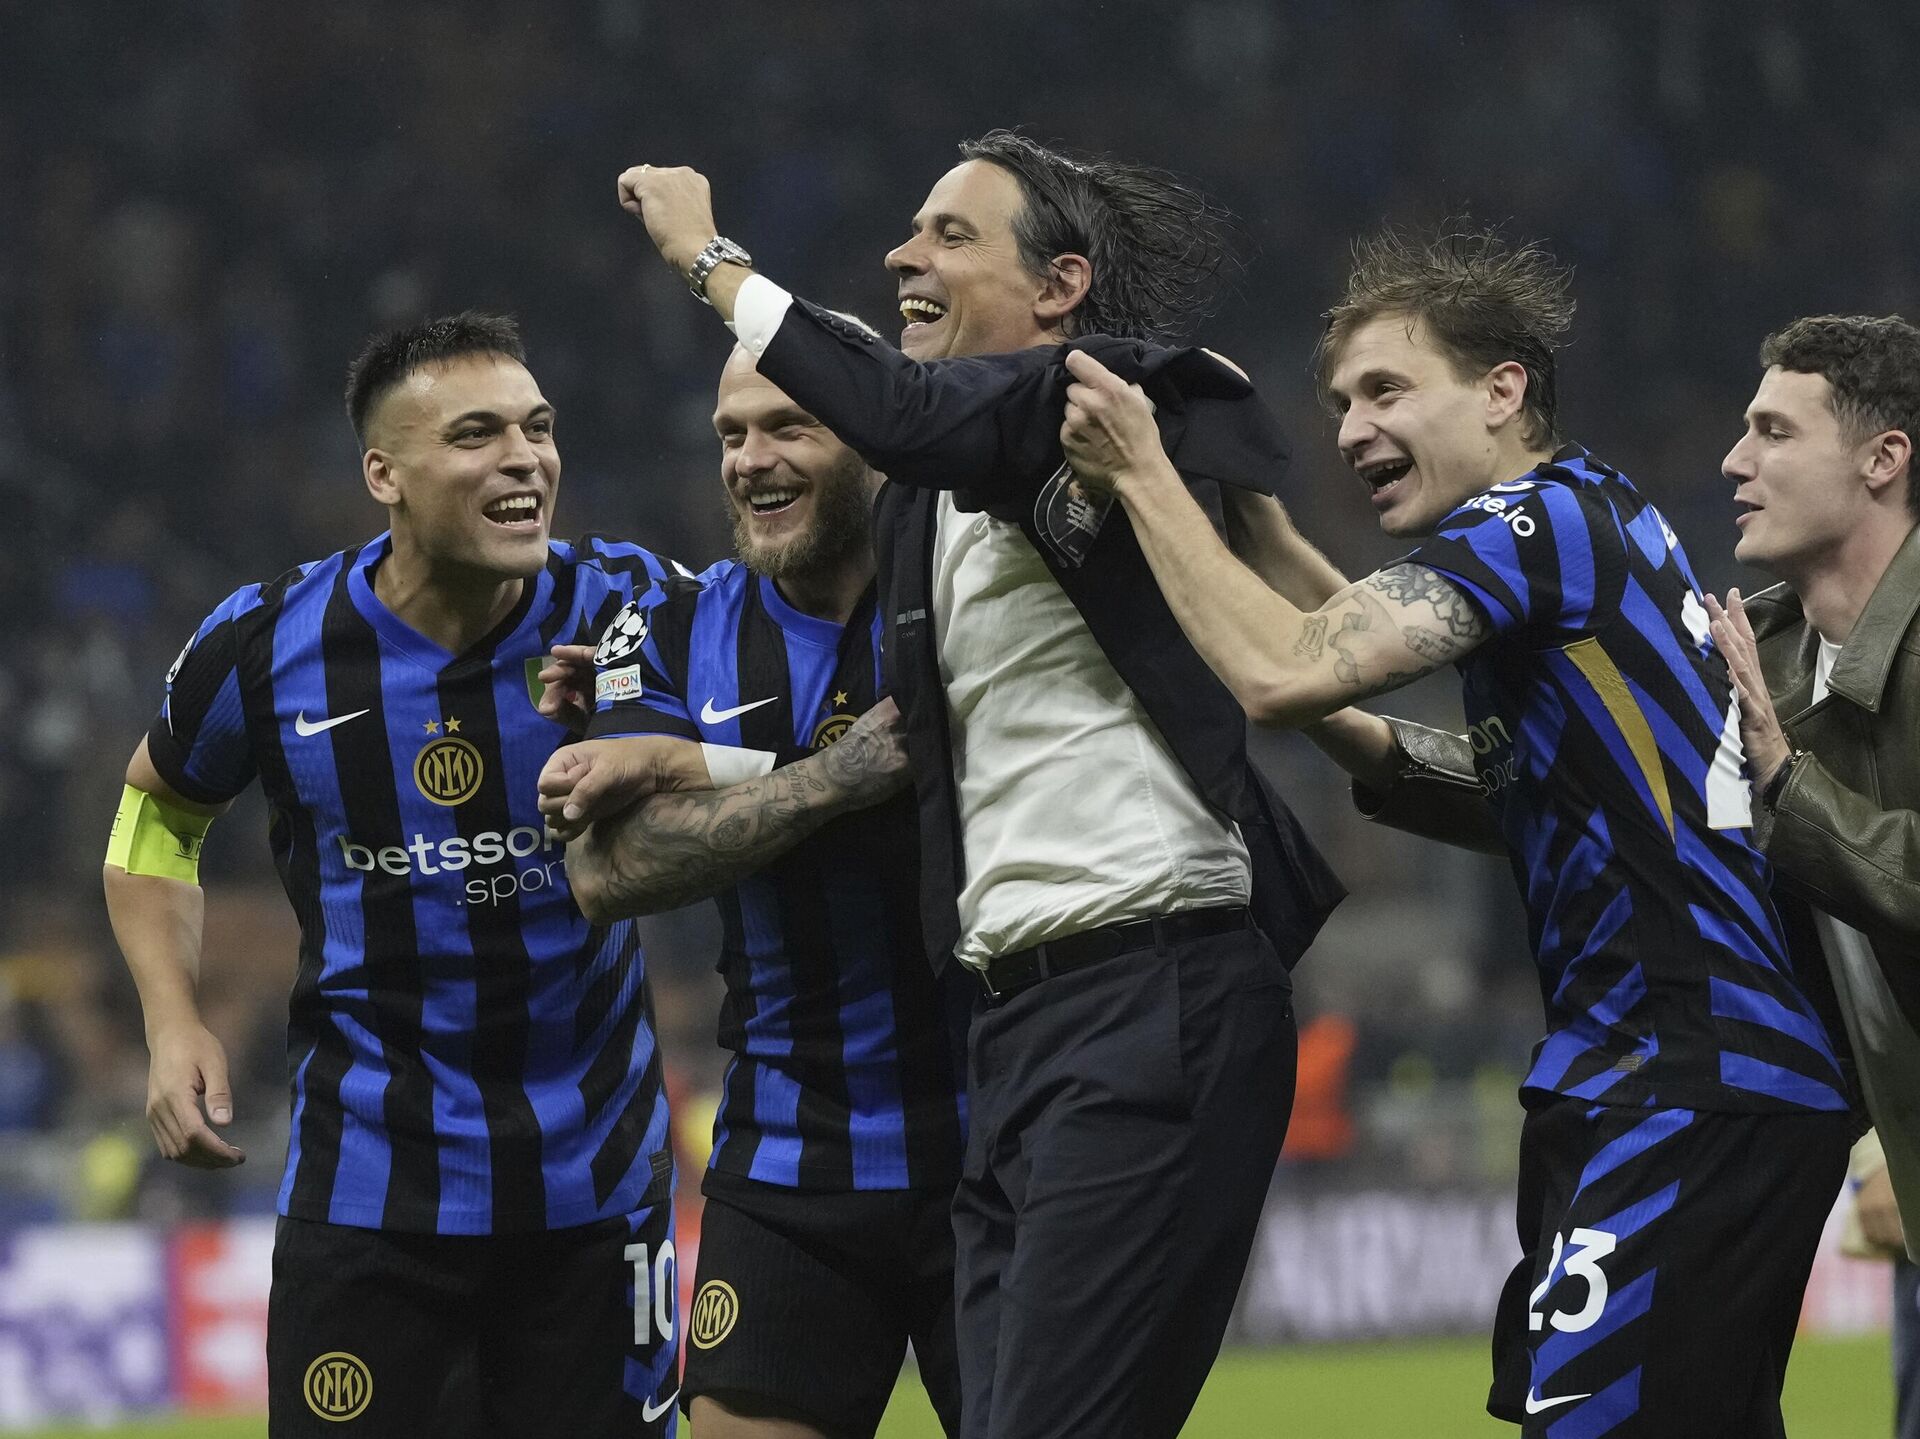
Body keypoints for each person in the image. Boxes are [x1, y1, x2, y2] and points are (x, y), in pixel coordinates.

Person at [1058, 227, 1852, 1437]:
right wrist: (1261, 530)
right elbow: (1429, 746)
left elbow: (1283, 672)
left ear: (1501, 392)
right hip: (1669, 1077)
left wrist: (1143, 478)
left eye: (1387, 389)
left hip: (1690, 1077)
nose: (1351, 427)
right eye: (1340, 402)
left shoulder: (1537, 524)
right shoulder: (1592, 521)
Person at [614, 135, 1345, 1439]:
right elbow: (905, 745)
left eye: (951, 234)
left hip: (1149, 979)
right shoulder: (925, 513)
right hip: (1018, 1027)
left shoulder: (1107, 398)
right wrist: (694, 759)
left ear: (1060, 286)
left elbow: (900, 411)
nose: (907, 253)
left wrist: (706, 258)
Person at [101, 313, 685, 1437]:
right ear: (385, 475)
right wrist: (171, 1023)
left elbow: (767, 726)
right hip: (368, 1195)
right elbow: (155, 819)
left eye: (538, 428)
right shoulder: (267, 642)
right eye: (476, 435)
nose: (524, 458)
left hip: (597, 1194)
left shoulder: (633, 606)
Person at [539, 333, 971, 1439]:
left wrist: (698, 765)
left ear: (875, 436)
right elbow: (610, 868)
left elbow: (956, 772)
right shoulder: (666, 628)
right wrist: (833, 776)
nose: (750, 458)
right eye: (731, 434)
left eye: (789, 425)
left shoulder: (972, 593)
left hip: (1003, 1137)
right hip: (788, 1157)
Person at [1703, 311, 1920, 1438]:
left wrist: (1787, 780)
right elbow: (1618, 804)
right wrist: (1378, 744)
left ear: (1884, 459)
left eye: (1775, 431)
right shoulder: (1762, 655)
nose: (1735, 460)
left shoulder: (1769, 709)